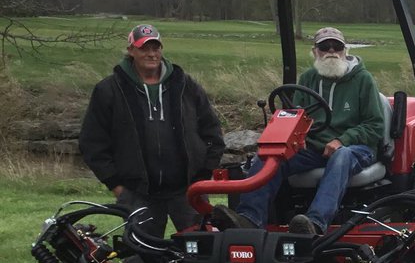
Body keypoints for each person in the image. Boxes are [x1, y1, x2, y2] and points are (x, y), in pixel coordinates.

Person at [212, 27, 384, 235]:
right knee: (268, 157)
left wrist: (342, 140)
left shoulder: (363, 80)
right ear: (315, 51)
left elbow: (375, 125)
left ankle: (314, 223)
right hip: (313, 149)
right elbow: (297, 115)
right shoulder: (308, 79)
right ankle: (250, 218)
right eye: (324, 47)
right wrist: (295, 137)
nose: (331, 51)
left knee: (342, 155)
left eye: (336, 46)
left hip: (355, 148)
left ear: (344, 50)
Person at [79, 23, 225, 238]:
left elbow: (212, 132)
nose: (151, 54)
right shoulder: (109, 89)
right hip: (138, 193)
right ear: (131, 51)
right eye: (144, 48)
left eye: (155, 48)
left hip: (188, 191)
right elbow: (92, 142)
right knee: (142, 260)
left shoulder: (185, 85)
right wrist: (116, 185)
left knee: (203, 251)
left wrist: (203, 176)